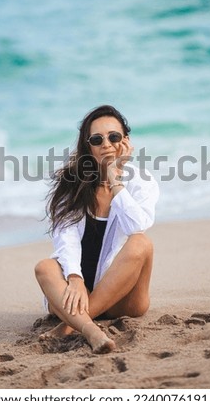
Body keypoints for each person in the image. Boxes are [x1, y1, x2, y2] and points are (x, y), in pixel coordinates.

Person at [35, 105, 159, 354]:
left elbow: (137, 226)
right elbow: (65, 239)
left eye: (114, 137)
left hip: (123, 300)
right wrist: (75, 278)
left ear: (125, 141)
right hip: (74, 295)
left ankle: (72, 326)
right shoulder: (71, 184)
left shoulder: (140, 182)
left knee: (142, 243)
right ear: (87, 146)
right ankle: (91, 330)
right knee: (45, 267)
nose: (106, 144)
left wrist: (115, 178)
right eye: (97, 139)